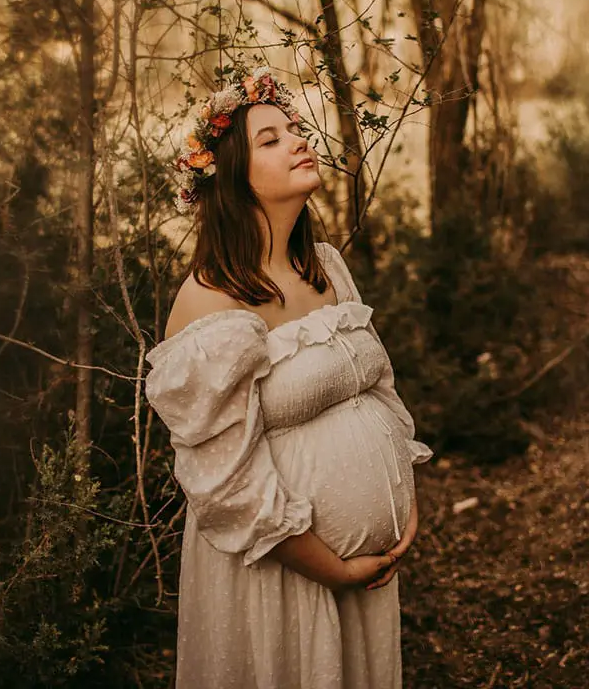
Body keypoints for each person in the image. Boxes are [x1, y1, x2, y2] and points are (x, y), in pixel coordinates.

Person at [144, 64, 434, 688]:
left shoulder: (324, 265)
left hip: (365, 572)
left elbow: (378, 390)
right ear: (230, 180)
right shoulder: (210, 303)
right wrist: (330, 567)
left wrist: (400, 494)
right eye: (270, 139)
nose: (299, 140)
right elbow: (225, 485)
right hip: (278, 581)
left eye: (294, 128)